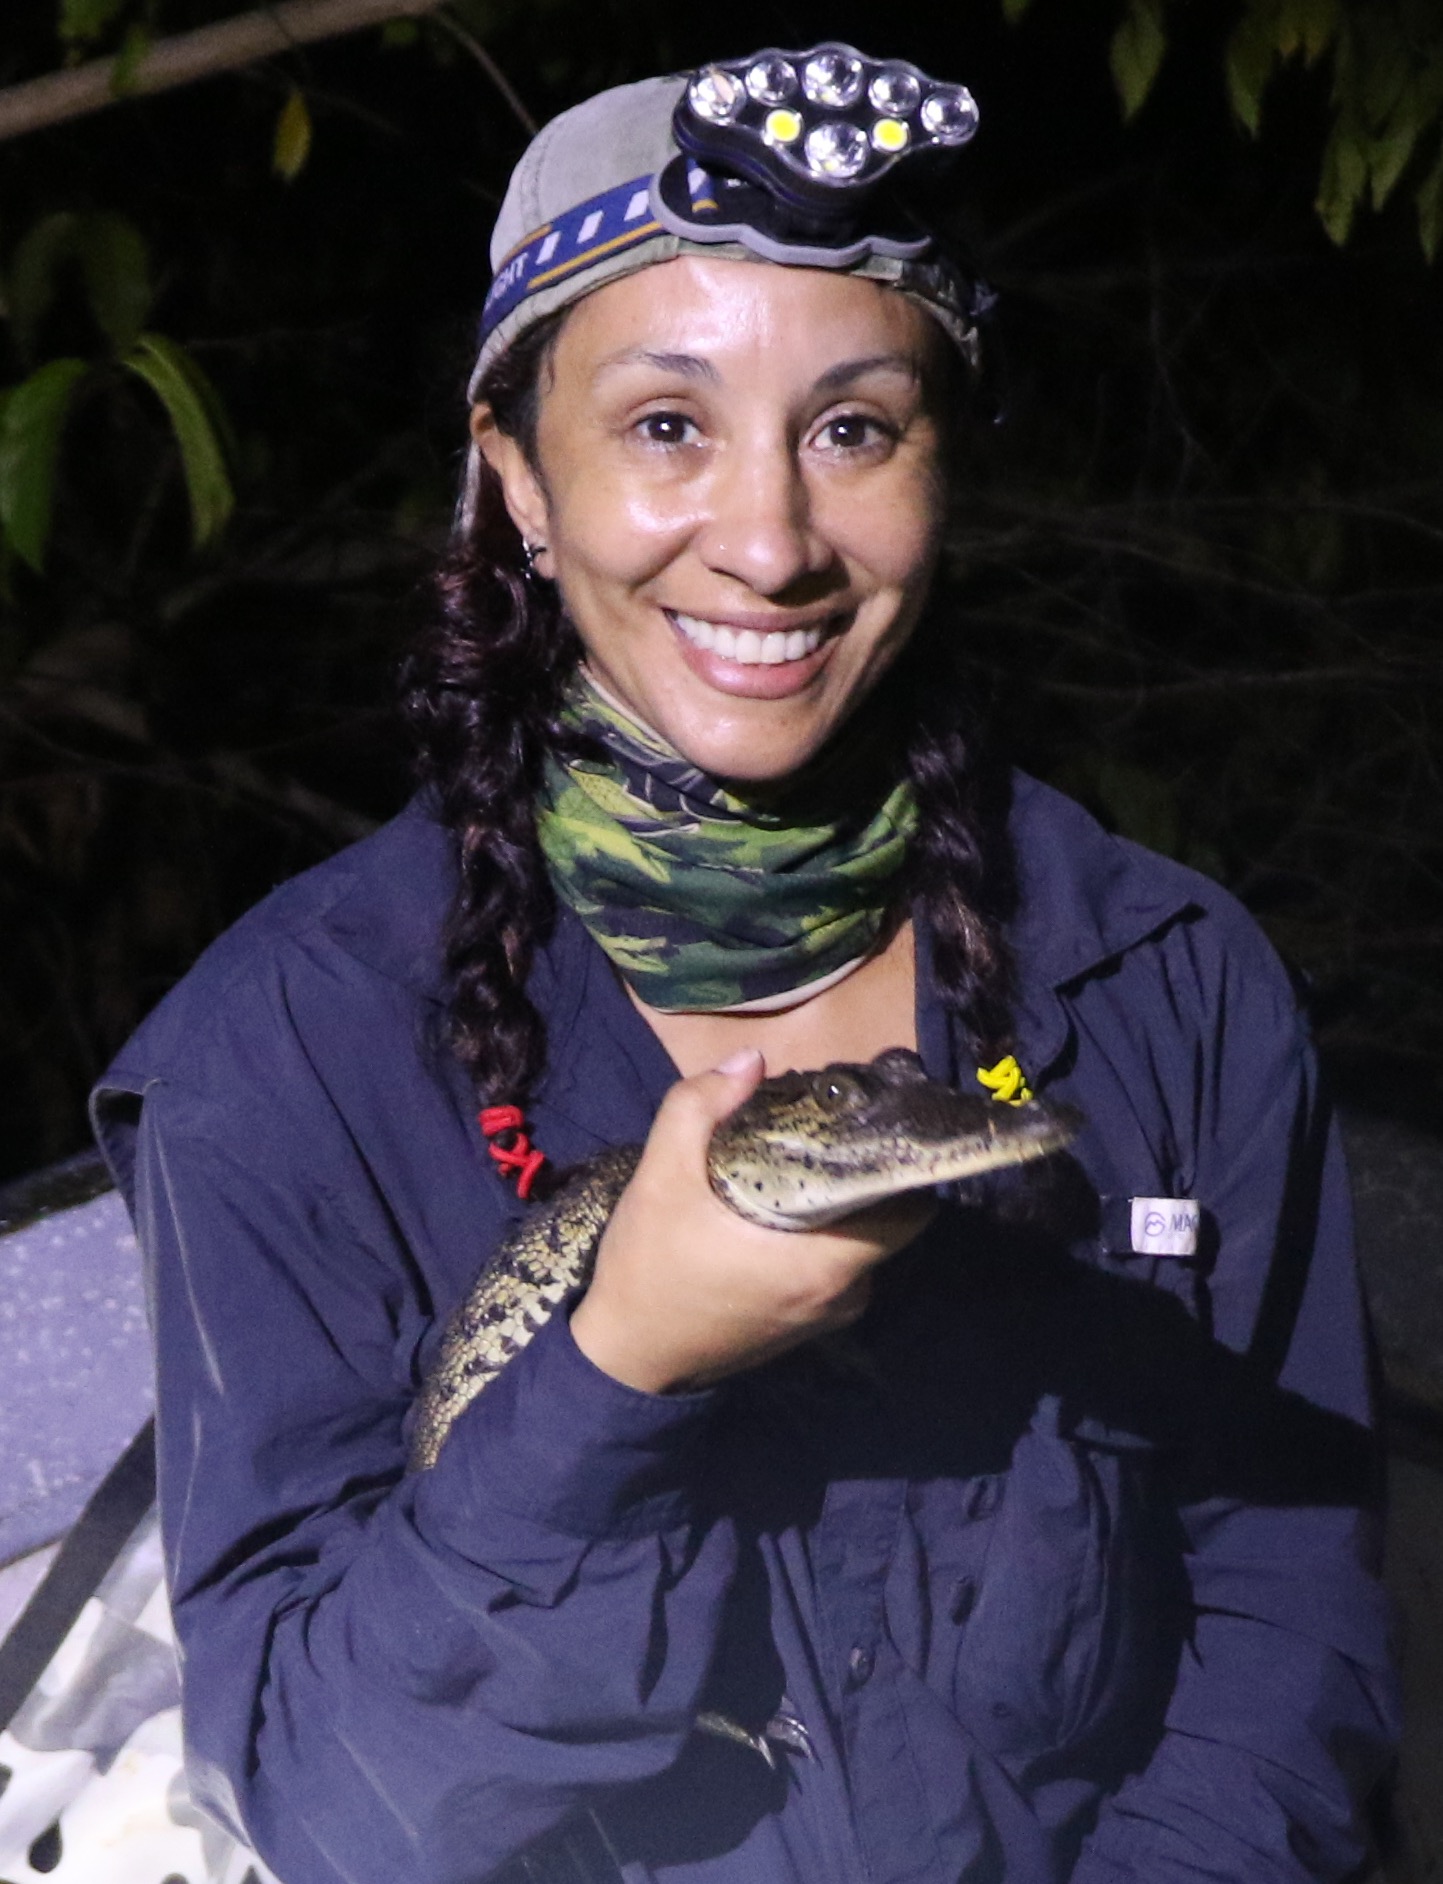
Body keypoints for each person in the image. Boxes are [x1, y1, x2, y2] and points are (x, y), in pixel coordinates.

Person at [92, 45, 1398, 1884]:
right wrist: (619, 1364)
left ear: (945, 470)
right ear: (515, 481)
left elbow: (1288, 1645)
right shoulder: (280, 1059)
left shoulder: (1169, 978)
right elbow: (334, 1810)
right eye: (665, 425)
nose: (773, 543)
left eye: (854, 427)